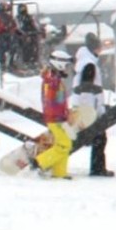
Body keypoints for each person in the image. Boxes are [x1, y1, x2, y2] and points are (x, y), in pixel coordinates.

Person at [31, 50, 75, 179]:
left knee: (61, 145)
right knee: (65, 144)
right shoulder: (52, 81)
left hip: (58, 118)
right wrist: (62, 116)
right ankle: (41, 162)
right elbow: (51, 102)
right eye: (66, 66)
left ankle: (59, 172)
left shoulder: (54, 79)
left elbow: (59, 101)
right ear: (59, 64)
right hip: (55, 119)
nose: (67, 70)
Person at [70, 63, 114, 177]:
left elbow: (74, 104)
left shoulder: (77, 89)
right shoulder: (96, 90)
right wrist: (103, 116)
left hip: (79, 121)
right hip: (94, 122)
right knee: (100, 142)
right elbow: (99, 107)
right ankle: (97, 168)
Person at [0, 1, 17, 71]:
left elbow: (14, 26)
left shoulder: (8, 17)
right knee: (2, 47)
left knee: (14, 46)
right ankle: (3, 64)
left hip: (8, 37)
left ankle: (11, 62)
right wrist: (6, 29)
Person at [15, 3, 42, 72]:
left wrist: (36, 31)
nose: (23, 10)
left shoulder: (29, 17)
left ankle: (34, 62)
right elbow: (17, 28)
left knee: (34, 47)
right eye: (21, 8)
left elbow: (34, 26)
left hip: (31, 35)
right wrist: (23, 34)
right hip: (22, 37)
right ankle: (26, 62)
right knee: (26, 48)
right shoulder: (18, 18)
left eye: (24, 8)